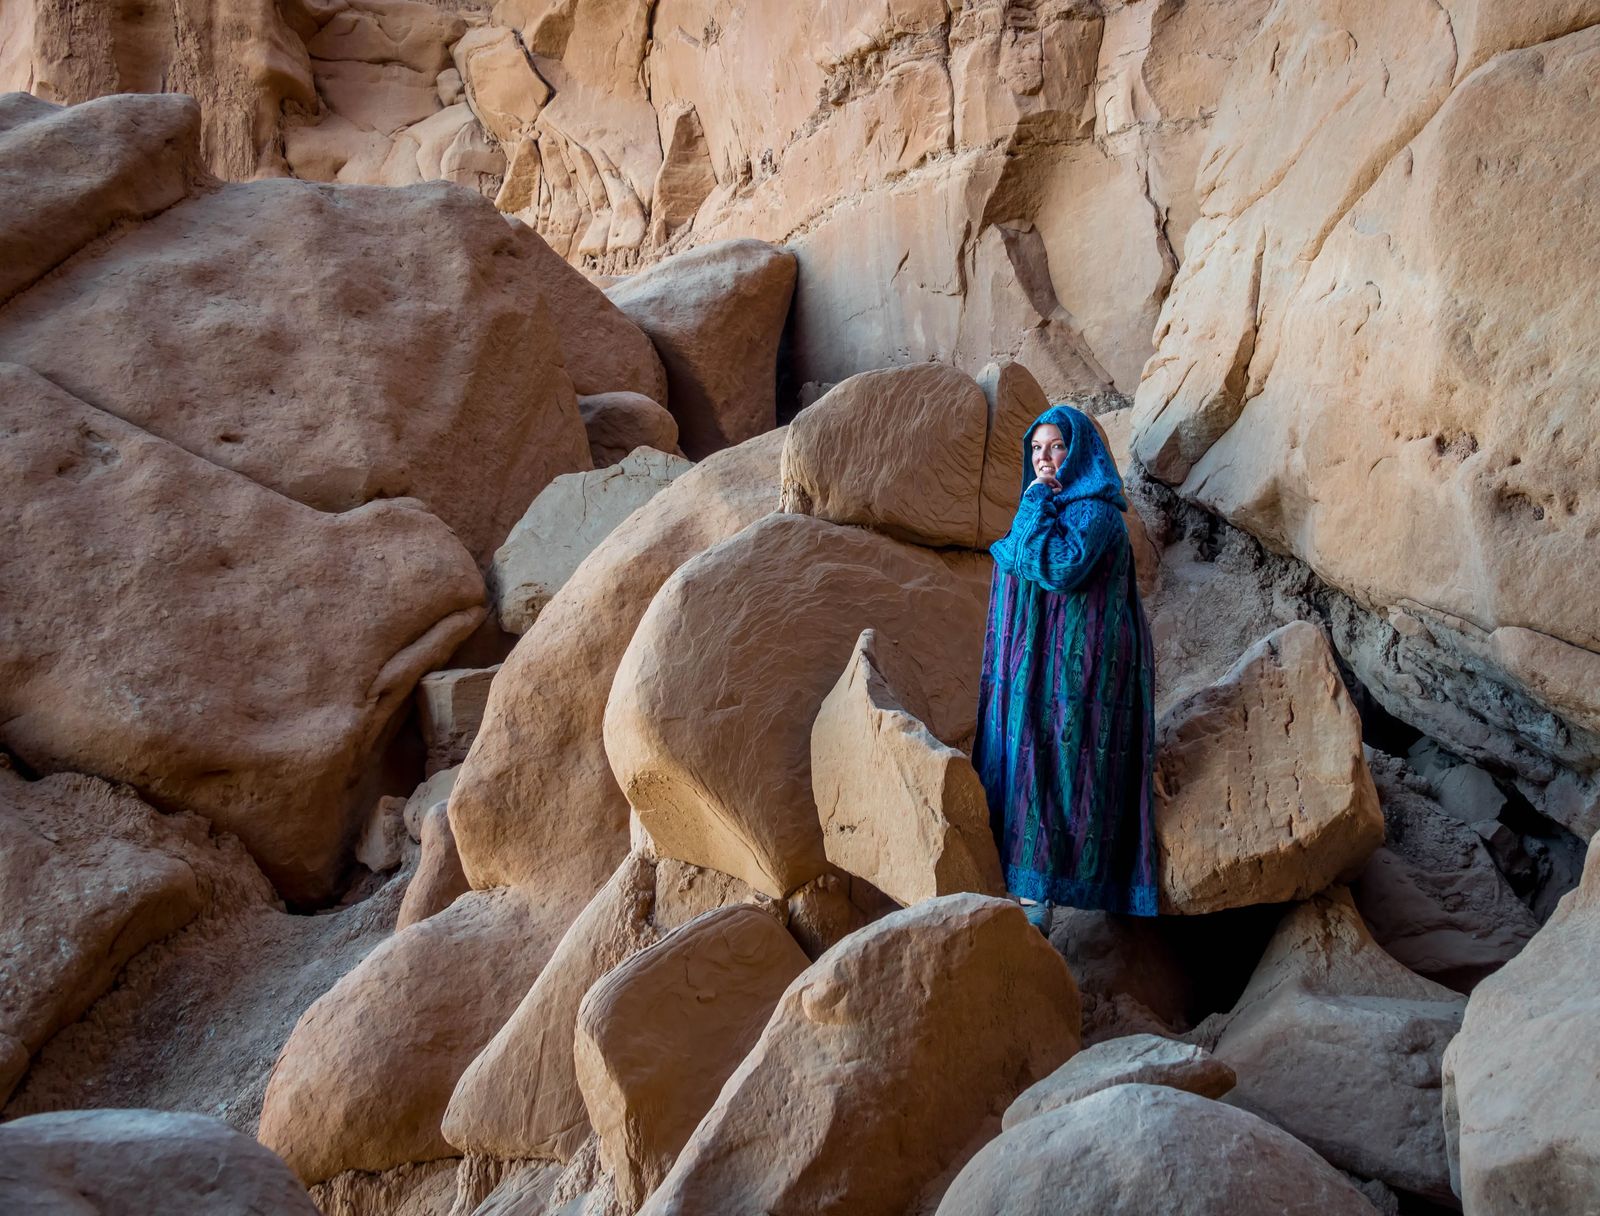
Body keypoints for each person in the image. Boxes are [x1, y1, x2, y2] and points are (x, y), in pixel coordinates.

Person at [973, 404, 1158, 930]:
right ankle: (1024, 892)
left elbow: (1055, 565)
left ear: (1079, 452)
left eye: (1056, 447)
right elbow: (1013, 555)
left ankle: (1044, 901)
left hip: (1083, 676)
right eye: (1037, 449)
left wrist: (1034, 507)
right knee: (1028, 764)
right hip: (1038, 672)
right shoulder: (1044, 508)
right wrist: (1034, 508)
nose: (1045, 459)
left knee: (1064, 769)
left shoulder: (1095, 514)